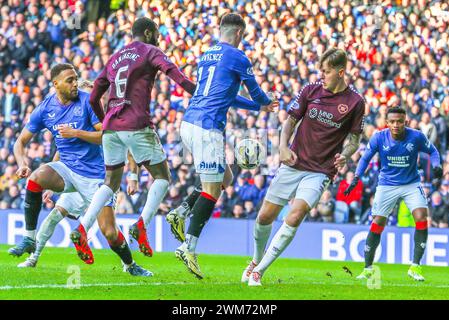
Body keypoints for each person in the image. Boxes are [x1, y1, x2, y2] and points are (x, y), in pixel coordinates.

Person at [69, 17, 197, 264]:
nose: (159, 38)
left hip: (111, 128)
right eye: (157, 33)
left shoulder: (115, 57)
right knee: (162, 176)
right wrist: (197, 91)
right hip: (137, 123)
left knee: (110, 181)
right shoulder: (151, 51)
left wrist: (106, 120)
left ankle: (82, 228)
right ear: (148, 33)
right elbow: (174, 73)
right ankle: (141, 226)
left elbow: (95, 95)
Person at [10, 65, 151, 276]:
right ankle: (30, 240)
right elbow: (20, 142)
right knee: (36, 177)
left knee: (110, 233)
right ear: (56, 84)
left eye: (76, 78)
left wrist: (76, 132)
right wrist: (22, 163)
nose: (75, 83)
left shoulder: (88, 101)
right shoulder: (45, 109)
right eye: (70, 80)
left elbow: (106, 134)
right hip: (67, 169)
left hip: (95, 177)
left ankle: (130, 265)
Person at [243, 48, 365, 286]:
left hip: (320, 171)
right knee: (265, 216)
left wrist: (347, 155)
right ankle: (255, 260)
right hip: (294, 162)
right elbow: (290, 121)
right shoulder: (311, 90)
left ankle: (260, 271)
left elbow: (354, 139)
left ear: (341, 72)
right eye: (321, 71)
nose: (322, 76)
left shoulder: (355, 102)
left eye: (327, 72)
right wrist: (282, 146)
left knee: (295, 215)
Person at [172, 13, 278, 279]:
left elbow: (229, 96)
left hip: (188, 124)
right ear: (240, 34)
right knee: (212, 190)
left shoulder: (206, 55)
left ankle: (181, 211)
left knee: (225, 177)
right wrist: (265, 102)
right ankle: (189, 247)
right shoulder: (238, 57)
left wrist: (257, 106)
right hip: (207, 128)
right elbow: (254, 90)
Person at [345, 107, 442, 281]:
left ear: (406, 121)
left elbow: (433, 151)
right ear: (387, 123)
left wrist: (437, 165)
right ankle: (367, 268)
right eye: (393, 122)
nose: (396, 125)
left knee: (421, 217)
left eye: (400, 121)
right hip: (387, 184)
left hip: (411, 183)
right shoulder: (378, 137)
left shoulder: (416, 136)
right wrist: (356, 177)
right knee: (378, 222)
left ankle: (415, 266)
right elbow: (365, 158)